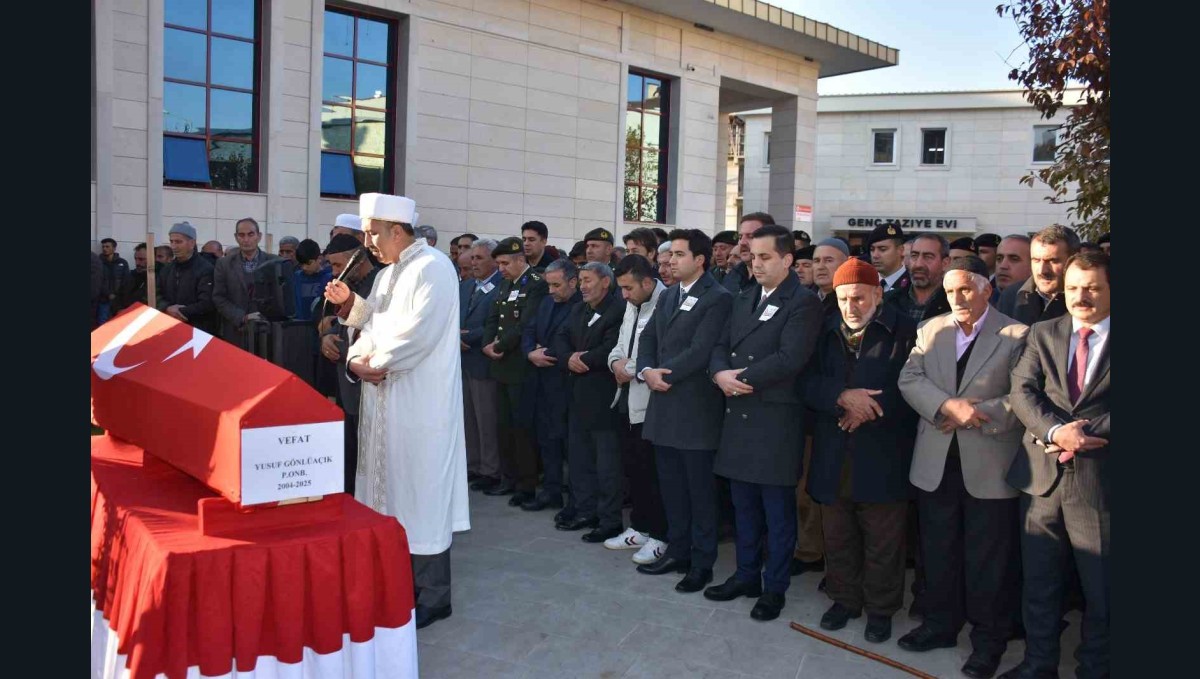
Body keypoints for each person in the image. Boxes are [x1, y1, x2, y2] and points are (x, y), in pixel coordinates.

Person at [323, 192, 469, 631]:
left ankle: (434, 596)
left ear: (397, 230)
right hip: (383, 399)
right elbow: (373, 323)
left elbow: (418, 334)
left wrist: (376, 364)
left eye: (372, 233)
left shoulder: (434, 269)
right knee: (389, 491)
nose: (368, 242)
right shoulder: (388, 275)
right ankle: (397, 582)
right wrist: (352, 311)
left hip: (419, 403)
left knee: (420, 492)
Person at [898, 256, 1029, 679]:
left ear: (987, 289)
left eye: (966, 289)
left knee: (987, 562)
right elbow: (909, 378)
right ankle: (939, 625)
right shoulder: (931, 328)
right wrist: (946, 406)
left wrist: (975, 414)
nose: (957, 298)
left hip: (989, 466)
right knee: (938, 553)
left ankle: (988, 643)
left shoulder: (1016, 334)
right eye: (950, 290)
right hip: (936, 463)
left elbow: (1023, 399)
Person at [1001, 252, 1110, 679]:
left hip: (1101, 482)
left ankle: (1095, 668)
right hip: (1041, 480)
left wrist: (1081, 434)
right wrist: (1057, 433)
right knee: (1039, 584)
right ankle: (1038, 664)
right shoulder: (1044, 332)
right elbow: (1023, 392)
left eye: (1092, 288)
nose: (1080, 297)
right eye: (1072, 288)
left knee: (1102, 590)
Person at [704, 225, 821, 622]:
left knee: (777, 512)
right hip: (739, 415)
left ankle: (775, 588)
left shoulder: (802, 302)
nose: (757, 264)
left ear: (788, 260)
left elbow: (791, 358)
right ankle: (746, 575)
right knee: (744, 507)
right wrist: (719, 374)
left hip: (774, 419)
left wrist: (738, 380)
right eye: (753, 257)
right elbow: (719, 344)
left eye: (766, 256)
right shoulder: (744, 297)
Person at [803, 257, 918, 644]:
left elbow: (915, 387)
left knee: (884, 542)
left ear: (878, 293)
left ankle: (881, 609)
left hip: (884, 453)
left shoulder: (907, 331)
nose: (851, 307)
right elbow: (805, 382)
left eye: (859, 298)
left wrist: (866, 410)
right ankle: (844, 599)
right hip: (834, 451)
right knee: (838, 536)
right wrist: (841, 397)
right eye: (843, 299)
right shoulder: (823, 329)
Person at [635, 229, 733, 595]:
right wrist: (646, 369)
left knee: (699, 490)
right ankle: (677, 550)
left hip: (694, 409)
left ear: (700, 260)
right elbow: (648, 338)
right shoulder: (670, 294)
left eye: (678, 254)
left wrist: (663, 373)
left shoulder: (718, 297)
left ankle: (702, 561)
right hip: (663, 403)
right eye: (669, 255)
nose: (670, 261)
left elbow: (702, 349)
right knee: (671, 487)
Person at [552, 262, 626, 542]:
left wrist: (581, 359)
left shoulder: (617, 310)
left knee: (607, 465)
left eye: (587, 280)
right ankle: (584, 510)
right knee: (579, 459)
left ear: (605, 282)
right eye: (580, 280)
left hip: (604, 399)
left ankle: (609, 520)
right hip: (577, 396)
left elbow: (611, 348)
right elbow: (560, 337)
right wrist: (568, 358)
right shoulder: (580, 308)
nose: (582, 285)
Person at [606, 254, 669, 564]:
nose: (624, 295)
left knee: (653, 473)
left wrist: (628, 368)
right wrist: (616, 363)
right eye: (621, 289)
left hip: (650, 404)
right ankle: (640, 528)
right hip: (626, 399)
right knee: (635, 471)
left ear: (647, 282)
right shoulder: (631, 304)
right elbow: (620, 343)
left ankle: (659, 536)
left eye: (629, 288)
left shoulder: (665, 301)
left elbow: (658, 351)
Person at [482, 237, 548, 506]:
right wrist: (488, 344)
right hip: (500, 365)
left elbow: (527, 324)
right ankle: (508, 478)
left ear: (520, 259)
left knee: (523, 429)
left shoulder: (536, 285)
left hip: (520, 366)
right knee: (503, 426)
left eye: (505, 263)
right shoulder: (504, 285)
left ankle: (526, 484)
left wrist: (500, 345)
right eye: (498, 263)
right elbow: (492, 318)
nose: (501, 269)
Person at [317, 234, 379, 495]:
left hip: (368, 383)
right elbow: (341, 326)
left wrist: (341, 348)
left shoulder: (380, 282)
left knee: (366, 454)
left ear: (358, 258)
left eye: (338, 266)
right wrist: (327, 338)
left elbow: (374, 332)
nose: (335, 273)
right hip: (347, 379)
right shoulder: (351, 286)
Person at [520, 258, 581, 513]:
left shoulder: (581, 305)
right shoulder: (546, 302)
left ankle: (576, 500)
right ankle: (551, 491)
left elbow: (573, 342)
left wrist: (547, 353)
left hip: (568, 384)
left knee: (571, 445)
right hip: (542, 382)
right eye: (549, 285)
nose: (551, 290)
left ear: (573, 282)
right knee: (547, 439)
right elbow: (529, 331)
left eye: (557, 285)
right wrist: (529, 353)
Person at [459, 239, 505, 493]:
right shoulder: (466, 286)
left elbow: (496, 324)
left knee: (486, 418)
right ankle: (473, 464)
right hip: (464, 359)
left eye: (479, 258)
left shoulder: (501, 286)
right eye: (472, 258)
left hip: (483, 359)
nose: (474, 262)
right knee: (469, 417)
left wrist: (467, 337)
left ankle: (490, 469)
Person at [998, 225, 1079, 327]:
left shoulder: (1085, 299)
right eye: (1036, 260)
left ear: (1073, 260)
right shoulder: (1011, 296)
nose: (1042, 270)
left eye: (1052, 261)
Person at [213, 217, 275, 349]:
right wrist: (242, 317)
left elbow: (279, 298)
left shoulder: (273, 262)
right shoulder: (223, 264)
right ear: (236, 237)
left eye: (250, 234)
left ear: (259, 236)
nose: (246, 239)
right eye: (241, 235)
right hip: (234, 332)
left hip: (266, 332)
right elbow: (218, 297)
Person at [156, 221, 216, 334]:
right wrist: (167, 308)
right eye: (171, 241)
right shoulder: (167, 269)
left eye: (178, 242)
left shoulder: (205, 269)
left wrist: (181, 311)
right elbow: (157, 294)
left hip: (197, 330)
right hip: (169, 327)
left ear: (192, 243)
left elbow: (207, 302)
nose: (173, 246)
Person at [887, 233, 951, 323]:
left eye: (928, 257)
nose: (918, 264)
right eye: (914, 256)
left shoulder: (954, 304)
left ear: (945, 263)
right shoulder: (889, 301)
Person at [722, 212, 774, 294]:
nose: (742, 242)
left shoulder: (775, 278)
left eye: (750, 236)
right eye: (740, 237)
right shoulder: (733, 274)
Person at [811, 238, 850, 318]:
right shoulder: (801, 299)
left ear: (845, 264)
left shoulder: (853, 301)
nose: (820, 267)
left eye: (828, 260)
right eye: (816, 261)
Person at [867, 224, 909, 293]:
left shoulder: (913, 285)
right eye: (872, 249)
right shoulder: (865, 283)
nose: (875, 255)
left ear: (900, 250)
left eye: (882, 249)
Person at [993, 235, 1033, 304]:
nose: (1003, 266)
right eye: (999, 259)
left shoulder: (1041, 306)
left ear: (1033, 266)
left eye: (1014, 259)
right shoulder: (981, 303)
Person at [98, 238, 130, 324]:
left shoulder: (122, 262)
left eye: (107, 246)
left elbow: (126, 281)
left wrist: (121, 297)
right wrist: (108, 294)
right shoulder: (98, 262)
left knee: (118, 323)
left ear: (114, 248)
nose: (104, 249)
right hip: (103, 300)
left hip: (119, 300)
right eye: (103, 247)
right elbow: (97, 281)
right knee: (103, 323)